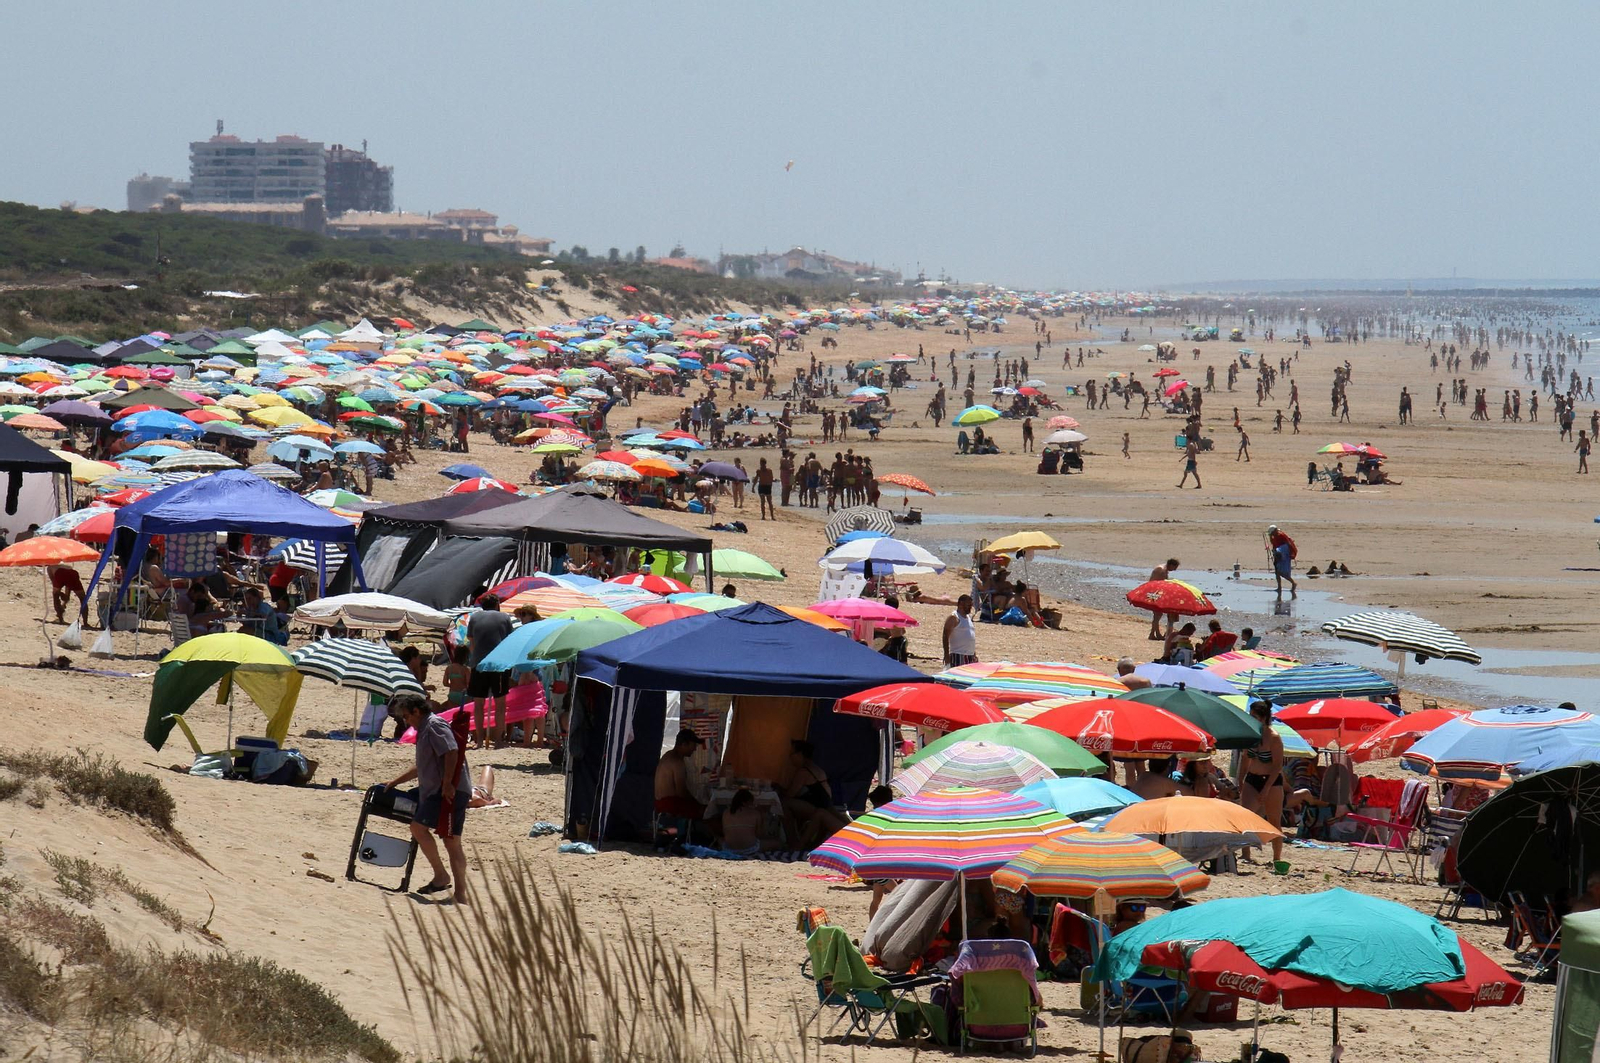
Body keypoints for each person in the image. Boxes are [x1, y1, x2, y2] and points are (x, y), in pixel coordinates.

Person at [385, 694, 470, 905]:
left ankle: (451, 884)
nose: (406, 721)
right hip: (439, 790)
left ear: (417, 711)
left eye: (407, 716)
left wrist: (448, 783)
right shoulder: (424, 729)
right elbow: (422, 766)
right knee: (448, 840)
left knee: (430, 833)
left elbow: (451, 751)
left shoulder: (433, 725)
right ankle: (448, 882)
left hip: (447, 791)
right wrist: (395, 782)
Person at [1239, 701, 1286, 867]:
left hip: (1271, 781)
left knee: (1274, 820)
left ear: (1264, 718)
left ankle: (1276, 858)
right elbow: (1245, 759)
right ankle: (1245, 854)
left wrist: (1266, 789)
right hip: (1252, 778)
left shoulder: (1274, 738)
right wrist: (1240, 779)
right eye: (1250, 716)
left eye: (1255, 717)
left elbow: (1277, 766)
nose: (1251, 719)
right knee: (1245, 816)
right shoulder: (1250, 735)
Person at [466, 594, 516, 748]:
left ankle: (480, 740)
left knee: (478, 704)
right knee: (500, 704)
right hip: (498, 664)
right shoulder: (505, 617)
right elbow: (510, 642)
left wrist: (475, 660)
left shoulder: (474, 617)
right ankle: (499, 740)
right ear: (497, 604)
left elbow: (472, 643)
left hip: (479, 664)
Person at [782, 740, 847, 849]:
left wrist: (778, 790)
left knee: (785, 804)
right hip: (825, 807)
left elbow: (790, 794)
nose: (790, 757)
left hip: (820, 808)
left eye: (791, 753)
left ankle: (792, 841)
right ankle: (802, 842)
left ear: (800, 754)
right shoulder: (817, 769)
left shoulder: (803, 772)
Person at [654, 727, 710, 835]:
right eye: (693, 745)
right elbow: (681, 792)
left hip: (660, 802)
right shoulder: (676, 762)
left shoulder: (667, 755)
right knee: (707, 812)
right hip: (670, 803)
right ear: (684, 744)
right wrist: (699, 805)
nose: (694, 749)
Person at [720, 788, 764, 857]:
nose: (753, 804)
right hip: (750, 848)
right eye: (751, 802)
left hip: (729, 848)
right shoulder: (755, 813)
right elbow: (759, 834)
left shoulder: (726, 813)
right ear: (744, 802)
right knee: (777, 843)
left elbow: (724, 832)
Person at [942, 594, 978, 667]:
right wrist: (946, 655)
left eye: (971, 605)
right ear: (961, 604)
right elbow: (945, 636)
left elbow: (970, 638)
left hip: (969, 656)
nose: (970, 607)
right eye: (968, 605)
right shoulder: (954, 618)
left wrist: (974, 654)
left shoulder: (968, 618)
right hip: (958, 655)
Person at [1267, 524, 1298, 598]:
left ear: (1275, 531)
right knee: (1277, 572)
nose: (1271, 535)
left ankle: (1293, 583)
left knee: (1282, 573)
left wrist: (1280, 552)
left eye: (1272, 533)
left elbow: (1287, 545)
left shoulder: (1281, 535)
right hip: (1278, 555)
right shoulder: (1275, 536)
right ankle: (1279, 587)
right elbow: (1274, 543)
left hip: (1283, 556)